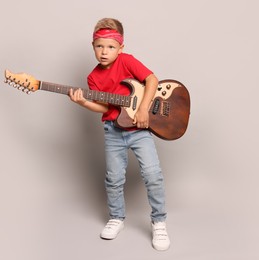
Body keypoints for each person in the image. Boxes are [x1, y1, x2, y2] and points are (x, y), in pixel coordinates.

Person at [69, 18, 170, 251]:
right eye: (99, 46)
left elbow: (151, 79)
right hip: (113, 131)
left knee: (153, 174)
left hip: (140, 130)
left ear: (121, 48)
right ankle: (116, 218)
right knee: (114, 179)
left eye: (111, 47)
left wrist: (144, 108)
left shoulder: (127, 61)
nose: (105, 52)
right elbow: (105, 107)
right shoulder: (93, 78)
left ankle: (159, 222)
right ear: (93, 46)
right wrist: (84, 102)